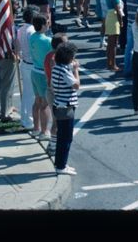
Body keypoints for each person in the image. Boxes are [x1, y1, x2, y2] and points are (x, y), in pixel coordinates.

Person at [50, 42, 80, 175]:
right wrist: (76, 70)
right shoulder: (64, 71)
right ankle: (61, 166)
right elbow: (76, 85)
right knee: (66, 138)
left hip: (58, 104)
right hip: (66, 107)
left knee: (62, 136)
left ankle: (60, 163)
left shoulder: (57, 68)